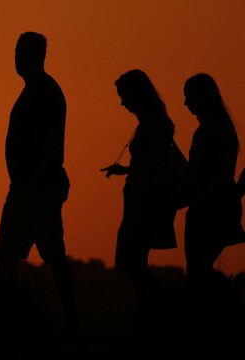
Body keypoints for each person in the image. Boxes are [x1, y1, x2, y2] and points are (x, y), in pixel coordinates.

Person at [0, 31, 77, 333]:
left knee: (49, 254)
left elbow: (52, 145)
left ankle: (64, 322)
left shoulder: (45, 91)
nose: (18, 58)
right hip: (26, 187)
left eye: (24, 53)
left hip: (37, 187)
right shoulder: (34, 90)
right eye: (17, 52)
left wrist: (36, 182)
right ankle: (12, 320)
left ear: (39, 57)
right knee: (10, 253)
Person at [101, 69, 179, 307]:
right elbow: (147, 164)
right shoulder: (151, 123)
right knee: (134, 263)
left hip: (144, 205)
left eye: (124, 96)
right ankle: (150, 316)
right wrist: (125, 170)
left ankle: (164, 304)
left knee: (128, 262)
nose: (122, 103)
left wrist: (133, 173)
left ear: (137, 94)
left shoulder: (153, 125)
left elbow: (153, 165)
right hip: (139, 203)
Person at [182, 73, 245, 286]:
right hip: (209, 206)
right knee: (199, 271)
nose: (185, 103)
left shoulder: (215, 130)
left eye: (189, 96)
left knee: (197, 273)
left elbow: (215, 173)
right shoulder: (213, 129)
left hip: (209, 209)